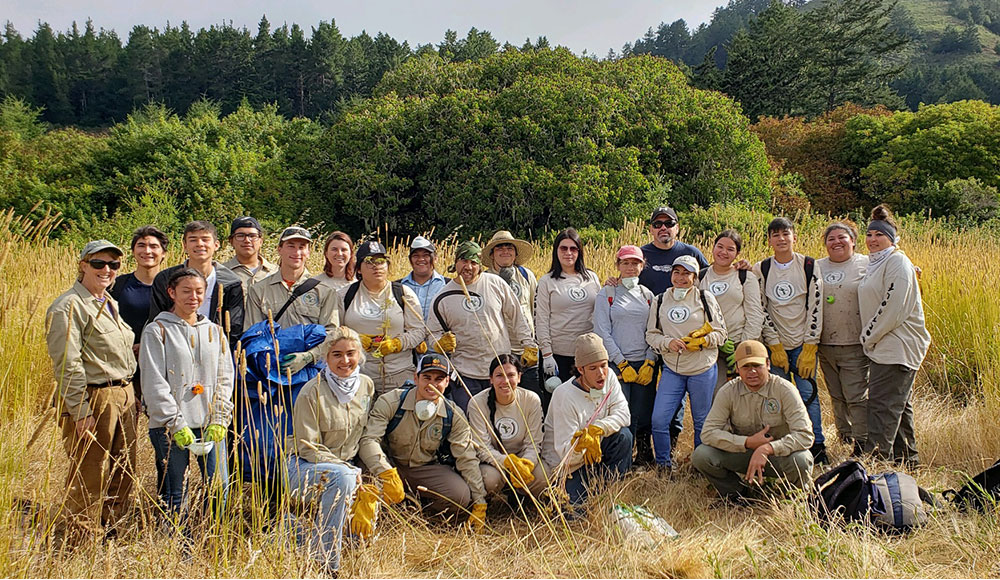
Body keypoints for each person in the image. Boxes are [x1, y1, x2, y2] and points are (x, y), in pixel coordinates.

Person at [45, 240, 137, 545]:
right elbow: (68, 363)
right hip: (94, 397)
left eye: (113, 265)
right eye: (98, 263)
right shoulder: (69, 306)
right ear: (83, 264)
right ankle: (82, 539)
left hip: (123, 393)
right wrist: (80, 411)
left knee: (124, 467)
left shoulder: (108, 301)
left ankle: (112, 529)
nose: (107, 270)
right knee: (90, 470)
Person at [139, 268, 234, 517]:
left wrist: (220, 419)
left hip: (209, 423)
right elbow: (154, 382)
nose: (194, 297)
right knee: (176, 492)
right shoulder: (157, 330)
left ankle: (210, 543)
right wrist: (175, 423)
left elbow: (225, 378)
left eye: (199, 291)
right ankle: (177, 548)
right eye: (186, 291)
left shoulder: (215, 331)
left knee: (219, 487)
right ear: (172, 293)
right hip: (171, 427)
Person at [358, 354, 488, 528]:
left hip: (424, 468)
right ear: (415, 377)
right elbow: (369, 440)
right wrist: (385, 472)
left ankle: (419, 514)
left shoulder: (454, 414)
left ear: (447, 382)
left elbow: (466, 457)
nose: (432, 385)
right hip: (389, 465)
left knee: (460, 495)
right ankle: (382, 516)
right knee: (364, 481)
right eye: (427, 377)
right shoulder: (391, 401)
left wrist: (480, 501)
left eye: (439, 379)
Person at [285, 326, 375, 575]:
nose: (345, 361)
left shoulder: (366, 385)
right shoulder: (311, 391)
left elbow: (365, 434)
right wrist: (347, 469)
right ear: (326, 357)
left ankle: (297, 533)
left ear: (360, 355)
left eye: (350, 353)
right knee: (344, 479)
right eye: (337, 354)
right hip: (304, 466)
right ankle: (326, 564)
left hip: (347, 466)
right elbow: (307, 446)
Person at [692, 340, 815, 503]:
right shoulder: (728, 391)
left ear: (768, 364)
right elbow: (708, 433)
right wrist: (747, 442)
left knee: (802, 459)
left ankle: (793, 498)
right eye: (746, 367)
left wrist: (768, 448)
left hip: (778, 456)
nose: (752, 372)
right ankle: (737, 494)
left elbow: (806, 435)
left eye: (757, 365)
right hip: (743, 454)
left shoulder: (785, 389)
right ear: (737, 368)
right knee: (702, 455)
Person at [427, 241, 537, 412]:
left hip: (499, 370)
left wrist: (528, 344)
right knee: (470, 422)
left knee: (501, 418)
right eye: (464, 261)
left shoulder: (496, 283)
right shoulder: (442, 297)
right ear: (455, 262)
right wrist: (438, 344)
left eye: (474, 262)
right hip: (465, 375)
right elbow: (431, 332)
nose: (468, 267)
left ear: (480, 265)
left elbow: (517, 317)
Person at [858, 205, 930, 466]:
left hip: (896, 346)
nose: (873, 239)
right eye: (869, 234)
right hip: (882, 345)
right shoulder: (874, 263)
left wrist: (868, 335)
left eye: (879, 235)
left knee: (881, 407)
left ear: (892, 238)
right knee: (898, 406)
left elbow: (893, 307)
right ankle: (908, 462)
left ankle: (875, 465)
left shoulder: (897, 261)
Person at [754, 217, 827, 464]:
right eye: (775, 235)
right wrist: (774, 345)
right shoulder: (761, 269)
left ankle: (817, 445)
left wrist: (810, 345)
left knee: (808, 394)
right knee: (777, 398)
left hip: (803, 345)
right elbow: (761, 309)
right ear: (769, 240)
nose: (781, 239)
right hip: (776, 349)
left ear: (794, 237)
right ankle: (783, 446)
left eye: (786, 234)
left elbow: (816, 307)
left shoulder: (809, 265)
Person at [644, 255, 727, 473]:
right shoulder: (660, 300)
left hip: (702, 368)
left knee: (701, 421)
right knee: (659, 419)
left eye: (687, 273)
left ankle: (701, 465)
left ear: (695, 277)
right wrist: (667, 342)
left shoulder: (704, 297)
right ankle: (663, 465)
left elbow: (721, 333)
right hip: (673, 369)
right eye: (677, 272)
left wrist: (702, 341)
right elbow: (651, 335)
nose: (681, 278)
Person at [541, 333, 632, 507]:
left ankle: (611, 491)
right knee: (574, 513)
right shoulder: (564, 395)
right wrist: (582, 443)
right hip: (568, 467)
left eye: (603, 366)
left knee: (624, 437)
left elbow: (624, 414)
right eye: (593, 368)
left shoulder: (610, 377)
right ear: (580, 369)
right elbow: (564, 453)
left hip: (597, 453)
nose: (601, 374)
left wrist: (597, 429)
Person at [593, 245, 657, 466]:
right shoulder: (607, 293)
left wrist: (650, 360)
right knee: (620, 414)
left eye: (635, 263)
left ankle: (644, 457)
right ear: (618, 266)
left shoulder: (647, 295)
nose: (630, 268)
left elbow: (654, 331)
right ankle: (621, 461)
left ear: (642, 265)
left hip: (643, 363)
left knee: (643, 413)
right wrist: (621, 362)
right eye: (625, 263)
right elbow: (602, 331)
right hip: (616, 365)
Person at [246, 227, 340, 374]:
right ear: (279, 249)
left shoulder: (324, 291)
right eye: (291, 246)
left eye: (302, 247)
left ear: (308, 252)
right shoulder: (258, 290)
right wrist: (271, 362)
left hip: (311, 372)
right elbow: (252, 334)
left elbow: (332, 334)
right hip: (270, 371)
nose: (296, 252)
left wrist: (308, 357)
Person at [338, 240, 426, 394]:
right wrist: (354, 340)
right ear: (358, 269)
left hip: (400, 374)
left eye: (381, 261)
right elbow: (334, 331)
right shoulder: (345, 295)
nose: (376, 266)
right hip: (359, 374)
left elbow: (419, 331)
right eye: (369, 261)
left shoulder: (403, 294)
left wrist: (398, 343)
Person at [148, 221, 244, 351]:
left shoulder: (230, 282)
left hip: (214, 349)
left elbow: (234, 327)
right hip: (173, 348)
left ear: (216, 245)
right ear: (185, 246)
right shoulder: (165, 279)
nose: (200, 244)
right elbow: (157, 317)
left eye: (205, 239)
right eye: (193, 240)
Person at [816, 222, 870, 454]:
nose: (836, 242)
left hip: (854, 342)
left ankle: (863, 442)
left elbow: (894, 273)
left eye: (842, 237)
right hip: (824, 343)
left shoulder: (867, 263)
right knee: (836, 394)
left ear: (853, 241)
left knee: (856, 395)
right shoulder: (816, 266)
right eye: (831, 238)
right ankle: (844, 435)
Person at [467, 355, 547, 498]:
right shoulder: (476, 403)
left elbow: (534, 443)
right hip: (493, 463)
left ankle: (522, 497)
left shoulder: (531, 400)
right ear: (490, 379)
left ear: (519, 377)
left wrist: (526, 464)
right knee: (489, 480)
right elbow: (482, 447)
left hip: (523, 458)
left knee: (543, 477)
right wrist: (507, 462)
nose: (505, 381)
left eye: (511, 375)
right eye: (499, 376)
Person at [110, 225, 168, 408]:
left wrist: (147, 345)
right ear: (133, 251)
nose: (147, 251)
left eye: (153, 246)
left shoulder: (174, 286)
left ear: (164, 253)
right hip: (125, 366)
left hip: (163, 365)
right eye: (141, 245)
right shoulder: (117, 285)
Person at [701, 230, 764, 391]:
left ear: (737, 253)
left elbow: (755, 315)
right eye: (720, 247)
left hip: (738, 344)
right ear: (713, 247)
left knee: (744, 396)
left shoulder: (745, 277)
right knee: (718, 397)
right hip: (710, 347)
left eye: (730, 249)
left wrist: (742, 348)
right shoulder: (700, 277)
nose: (723, 252)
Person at [536, 228, 601, 382]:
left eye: (573, 248)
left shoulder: (591, 277)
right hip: (558, 355)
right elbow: (541, 319)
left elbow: (601, 311)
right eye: (563, 248)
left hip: (587, 354)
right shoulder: (547, 281)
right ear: (556, 251)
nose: (568, 253)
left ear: (579, 252)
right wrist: (547, 355)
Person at [482, 230, 540, 397]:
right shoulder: (484, 279)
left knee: (531, 395)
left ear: (515, 254)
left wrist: (534, 343)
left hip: (526, 349)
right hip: (499, 350)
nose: (505, 251)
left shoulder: (526, 275)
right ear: (492, 254)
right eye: (500, 247)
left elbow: (534, 307)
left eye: (509, 247)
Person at [637, 207, 710, 295]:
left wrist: (730, 270)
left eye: (669, 224)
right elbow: (625, 280)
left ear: (677, 228)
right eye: (657, 224)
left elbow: (711, 275)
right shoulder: (640, 255)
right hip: (651, 307)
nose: (663, 228)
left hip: (684, 307)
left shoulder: (691, 253)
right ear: (651, 229)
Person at [223, 216, 277, 293]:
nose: (247, 240)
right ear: (231, 241)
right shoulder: (222, 273)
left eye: (252, 236)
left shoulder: (275, 272)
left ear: (261, 241)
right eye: (241, 236)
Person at [399, 235, 447, 322]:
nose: (421, 259)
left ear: (435, 258)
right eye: (416, 256)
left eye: (426, 255)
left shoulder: (447, 285)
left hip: (439, 335)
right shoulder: (397, 287)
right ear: (410, 260)